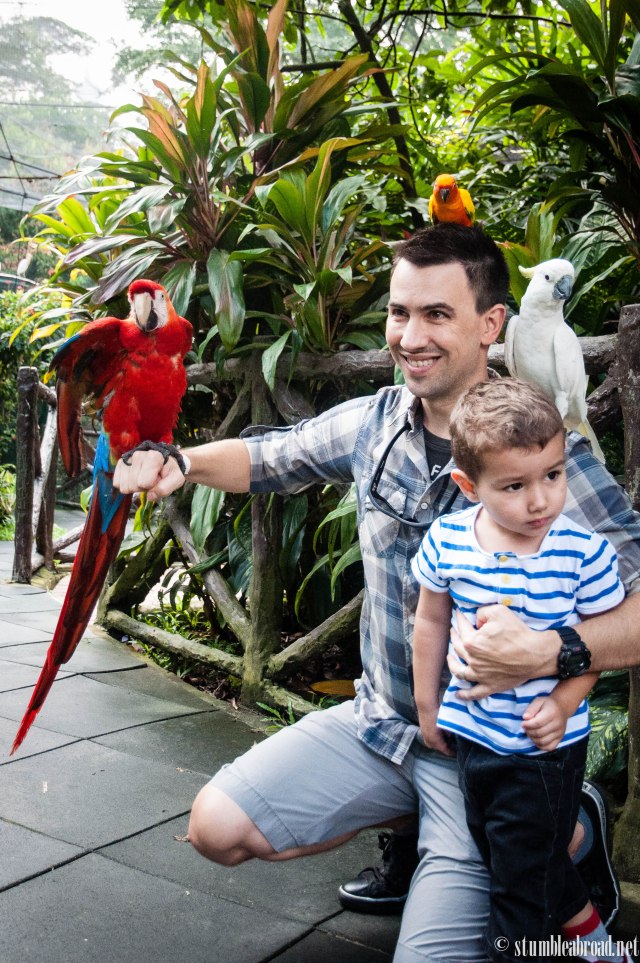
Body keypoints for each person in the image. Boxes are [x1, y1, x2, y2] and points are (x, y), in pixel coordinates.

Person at [113, 224, 640, 962]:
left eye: (436, 314)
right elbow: (270, 454)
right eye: (399, 312)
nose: (409, 335)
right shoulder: (376, 422)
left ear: (492, 325)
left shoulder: (543, 455)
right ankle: (433, 826)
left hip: (488, 754)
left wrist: (553, 650)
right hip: (384, 726)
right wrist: (178, 460)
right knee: (215, 827)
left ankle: (563, 827)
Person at [412, 377, 630, 962]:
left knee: (517, 895)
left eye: (553, 476)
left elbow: (600, 648)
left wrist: (561, 704)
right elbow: (430, 621)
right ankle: (600, 944)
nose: (540, 501)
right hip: (473, 734)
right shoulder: (448, 540)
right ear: (468, 484)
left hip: (542, 752)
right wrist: (430, 708)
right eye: (515, 485)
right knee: (511, 856)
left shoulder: (583, 552)